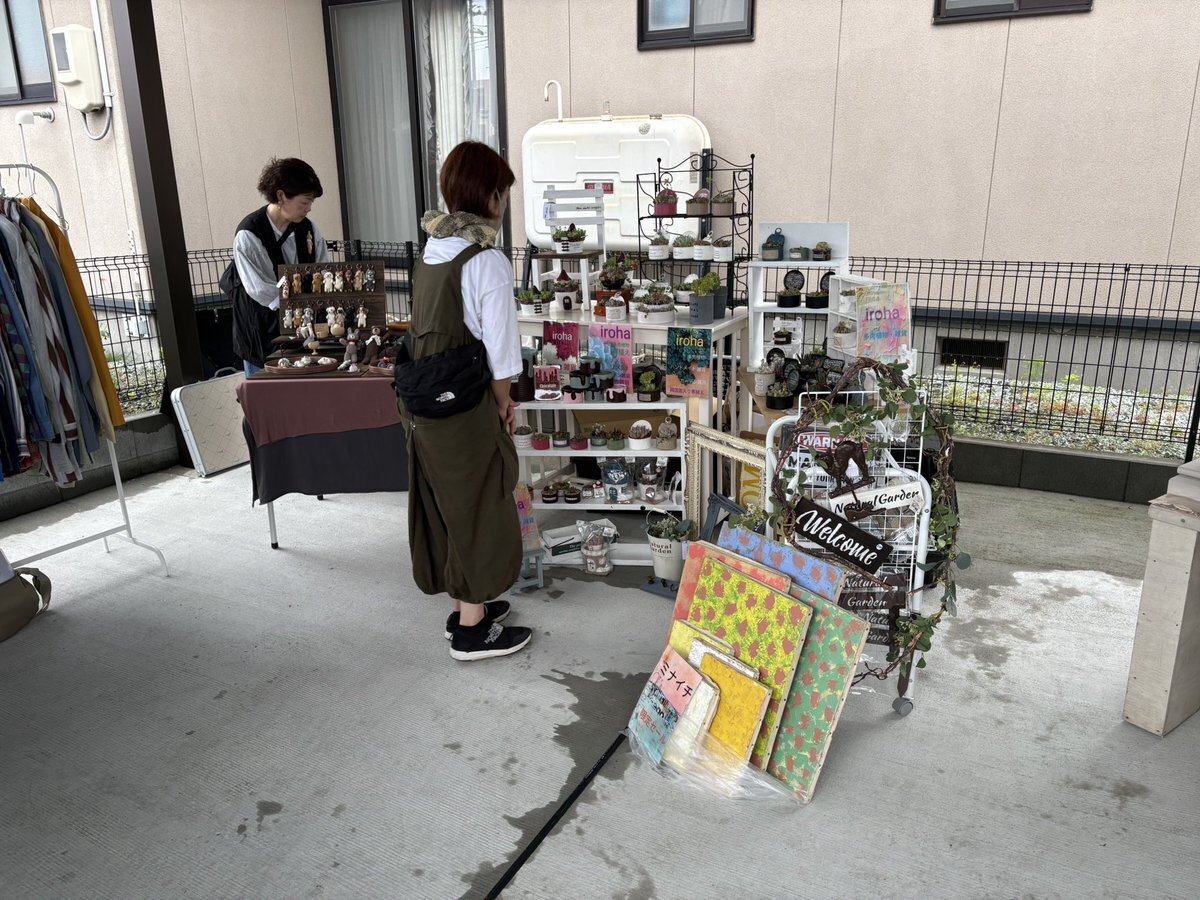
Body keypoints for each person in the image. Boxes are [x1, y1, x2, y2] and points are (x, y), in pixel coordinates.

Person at [404, 140, 531, 661]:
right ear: (490, 195)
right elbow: (502, 355)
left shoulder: (432, 250)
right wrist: (503, 404)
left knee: (447, 504)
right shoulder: (486, 260)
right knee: (479, 506)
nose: (504, 203)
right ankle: (472, 632)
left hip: (423, 405)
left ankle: (463, 606)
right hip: (465, 405)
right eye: (503, 192)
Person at [231, 158, 330, 375]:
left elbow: (323, 269)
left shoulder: (308, 228)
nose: (309, 209)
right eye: (304, 202)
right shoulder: (249, 234)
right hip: (261, 328)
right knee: (265, 390)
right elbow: (261, 290)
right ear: (281, 196)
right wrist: (298, 307)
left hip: (302, 325)